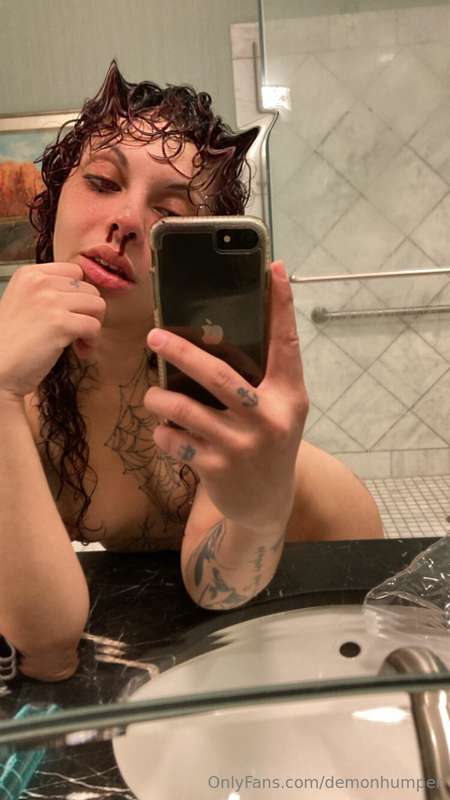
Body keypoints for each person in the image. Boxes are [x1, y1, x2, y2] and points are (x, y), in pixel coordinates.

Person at [0, 61, 382, 682]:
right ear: (56, 196)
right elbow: (46, 651)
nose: (127, 220)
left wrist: (258, 512)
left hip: (341, 573)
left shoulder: (209, 380)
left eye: (170, 211)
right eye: (101, 181)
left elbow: (215, 586)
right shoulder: (16, 379)